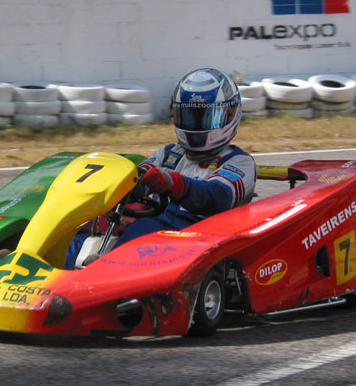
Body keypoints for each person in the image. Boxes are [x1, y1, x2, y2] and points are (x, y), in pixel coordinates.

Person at [65, 68, 257, 267]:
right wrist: (123, 184)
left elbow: (217, 196)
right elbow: (138, 178)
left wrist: (172, 184)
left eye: (205, 117)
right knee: (72, 245)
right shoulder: (168, 154)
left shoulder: (238, 161)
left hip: (200, 238)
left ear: (230, 115)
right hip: (153, 228)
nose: (197, 125)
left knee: (135, 245)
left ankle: (104, 275)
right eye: (191, 116)